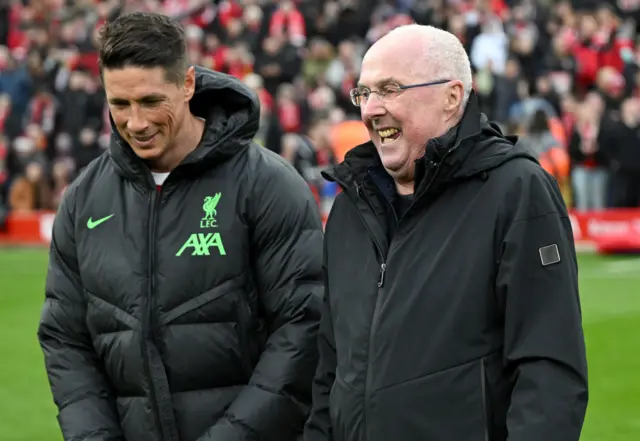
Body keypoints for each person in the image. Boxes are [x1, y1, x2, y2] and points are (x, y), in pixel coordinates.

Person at [38, 12, 324, 441]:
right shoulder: (84, 200)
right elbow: (65, 338)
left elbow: (304, 328)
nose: (136, 122)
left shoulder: (268, 186)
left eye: (152, 101)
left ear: (188, 84)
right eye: (120, 104)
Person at [304, 24, 588, 441]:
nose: (370, 109)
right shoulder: (350, 205)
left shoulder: (515, 190)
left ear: (452, 96)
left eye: (390, 89)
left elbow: (549, 374)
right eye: (363, 93)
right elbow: (330, 369)